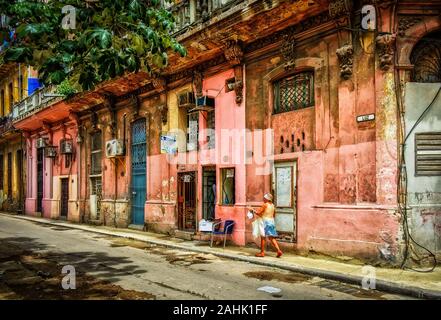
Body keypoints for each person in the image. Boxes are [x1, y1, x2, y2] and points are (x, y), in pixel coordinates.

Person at [248, 193, 283, 258]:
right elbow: (273, 215)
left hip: (265, 222)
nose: (263, 199)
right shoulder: (272, 205)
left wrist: (252, 210)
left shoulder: (265, 205)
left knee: (263, 237)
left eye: (264, 198)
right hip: (271, 221)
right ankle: (278, 250)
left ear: (267, 199)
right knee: (271, 237)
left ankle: (262, 252)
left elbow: (258, 213)